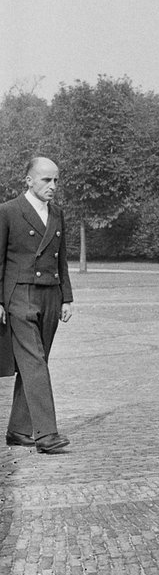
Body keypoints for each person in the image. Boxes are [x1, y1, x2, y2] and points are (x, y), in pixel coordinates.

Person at [0, 157, 74, 454]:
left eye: (56, 180)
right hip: (20, 295)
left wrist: (67, 297)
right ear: (29, 180)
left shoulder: (57, 213)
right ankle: (46, 434)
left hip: (51, 295)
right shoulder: (8, 211)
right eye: (46, 180)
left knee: (34, 363)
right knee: (35, 362)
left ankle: (18, 430)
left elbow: (61, 259)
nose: (52, 186)